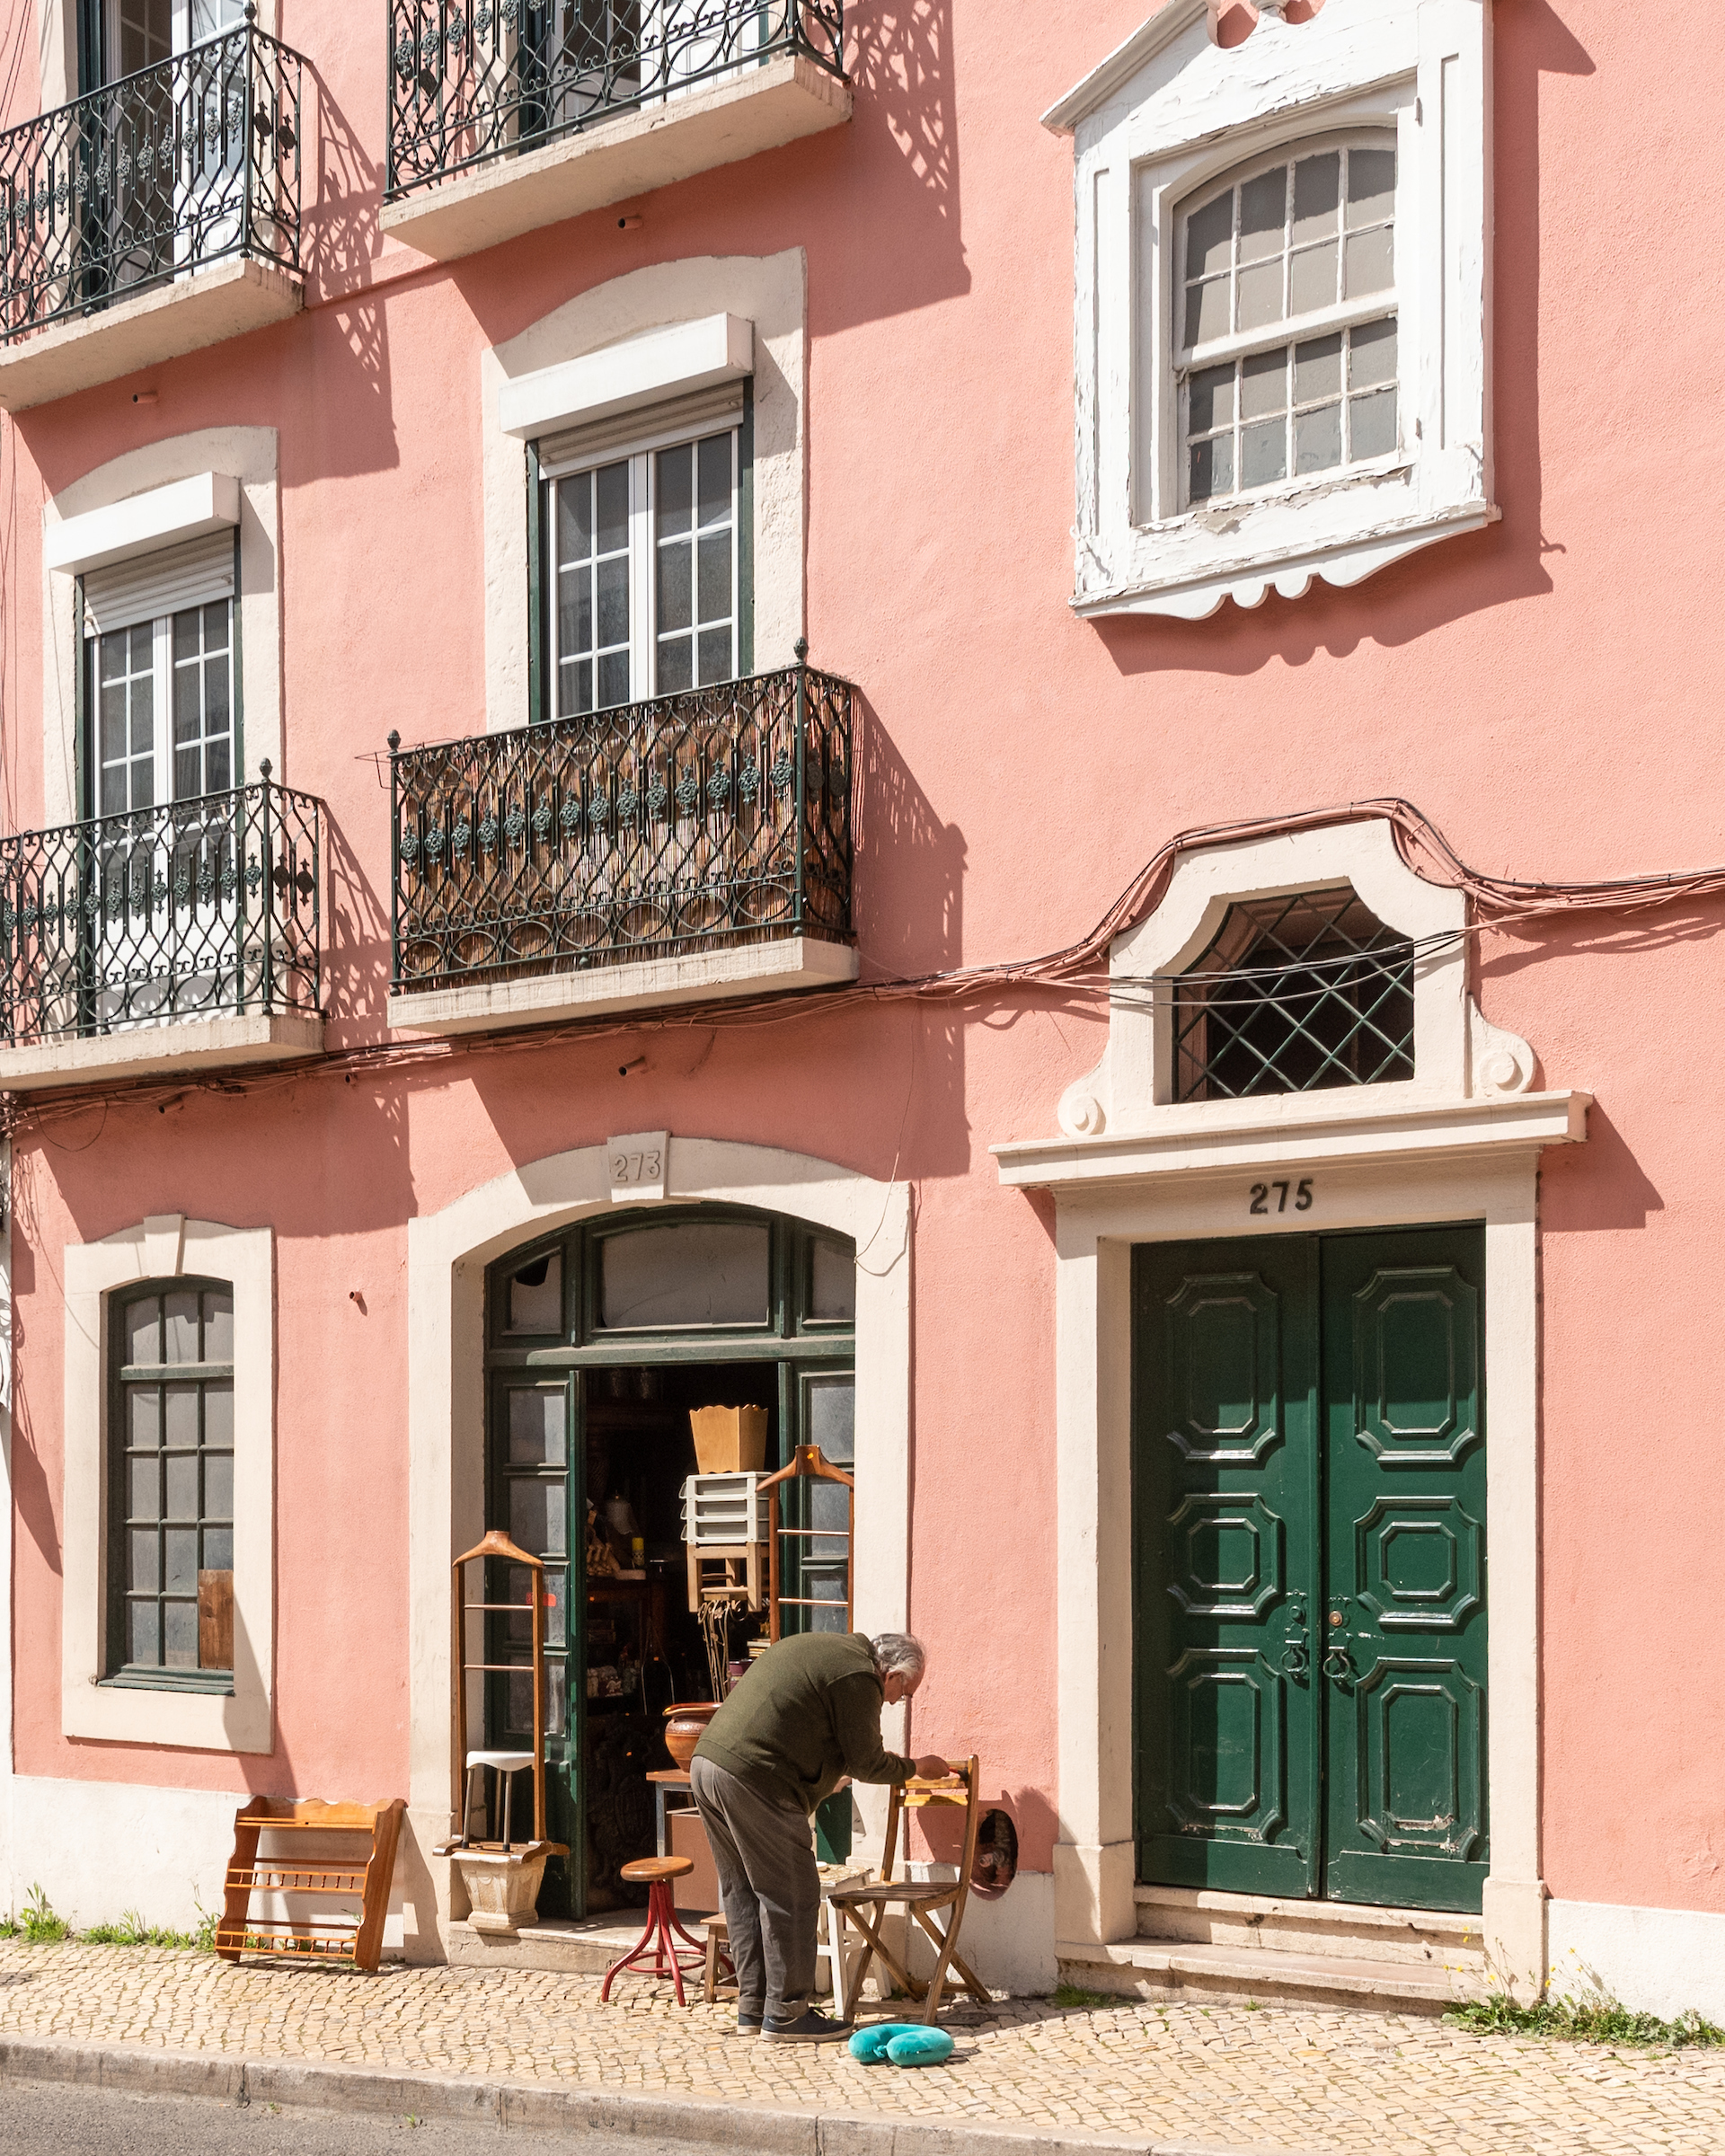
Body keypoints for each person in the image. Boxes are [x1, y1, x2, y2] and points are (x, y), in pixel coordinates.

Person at [689, 1630, 948, 2042]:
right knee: (792, 1892)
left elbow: (801, 1726)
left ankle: (754, 2010)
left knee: (742, 1891)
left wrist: (825, 1778)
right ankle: (789, 2015)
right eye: (905, 1692)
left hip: (708, 1764)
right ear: (893, 1674)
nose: (897, 1701)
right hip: (754, 1776)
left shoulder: (830, 1650)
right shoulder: (859, 1676)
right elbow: (868, 1762)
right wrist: (917, 1766)